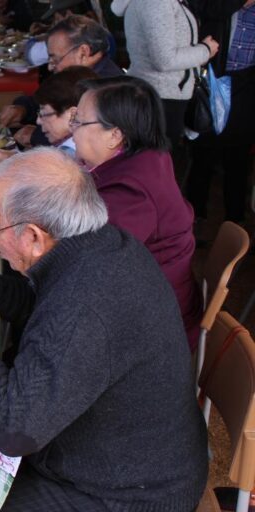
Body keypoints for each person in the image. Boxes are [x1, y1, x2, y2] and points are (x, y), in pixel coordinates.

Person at [0, 147, 207, 512]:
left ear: (34, 237)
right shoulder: (101, 244)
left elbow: (14, 428)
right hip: (117, 452)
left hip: (129, 493)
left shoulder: (86, 302)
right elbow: (43, 307)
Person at [72, 75, 202, 350]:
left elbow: (92, 267)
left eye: (79, 121)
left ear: (115, 135)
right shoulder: (147, 155)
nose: (72, 129)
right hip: (155, 301)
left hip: (153, 334)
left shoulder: (131, 193)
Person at [0, 14, 122, 149]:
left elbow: (93, 140)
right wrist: (24, 108)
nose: (50, 67)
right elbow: (52, 101)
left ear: (83, 52)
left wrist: (36, 137)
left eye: (55, 59)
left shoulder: (108, 88)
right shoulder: (77, 77)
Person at [111, 0, 219, 151]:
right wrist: (205, 50)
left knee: (157, 157)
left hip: (159, 94)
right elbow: (164, 60)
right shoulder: (158, 2)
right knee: (158, 159)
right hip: (160, 97)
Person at [186, 0, 255, 224]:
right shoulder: (222, 4)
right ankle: (194, 216)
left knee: (238, 158)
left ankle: (235, 219)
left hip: (245, 86)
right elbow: (204, 9)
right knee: (203, 154)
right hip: (212, 82)